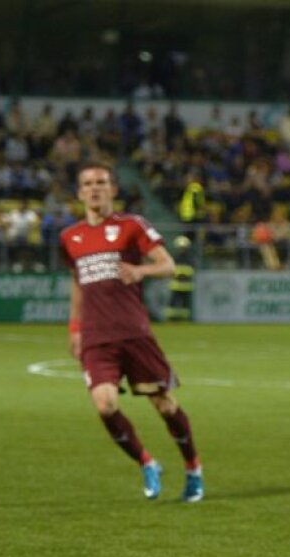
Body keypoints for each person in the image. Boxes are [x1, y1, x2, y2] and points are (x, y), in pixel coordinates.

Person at [61, 162, 204, 503]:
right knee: (105, 405)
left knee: (165, 405)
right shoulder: (70, 237)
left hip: (133, 332)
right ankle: (147, 462)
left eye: (102, 182)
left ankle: (193, 469)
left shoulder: (131, 226)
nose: (95, 188)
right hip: (96, 336)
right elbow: (78, 284)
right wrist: (74, 327)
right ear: (80, 193)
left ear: (113, 189)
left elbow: (167, 265)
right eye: (88, 183)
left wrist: (140, 270)